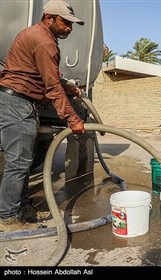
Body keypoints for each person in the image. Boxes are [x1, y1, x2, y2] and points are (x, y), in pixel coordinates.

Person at [0, 0, 86, 232]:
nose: (69, 28)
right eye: (66, 23)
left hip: (20, 103)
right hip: (17, 103)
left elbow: (48, 78)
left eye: (71, 24)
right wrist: (73, 119)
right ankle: (7, 217)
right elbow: (52, 88)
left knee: (23, 163)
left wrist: (71, 88)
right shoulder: (44, 42)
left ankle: (22, 208)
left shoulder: (37, 35)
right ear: (49, 18)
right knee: (18, 164)